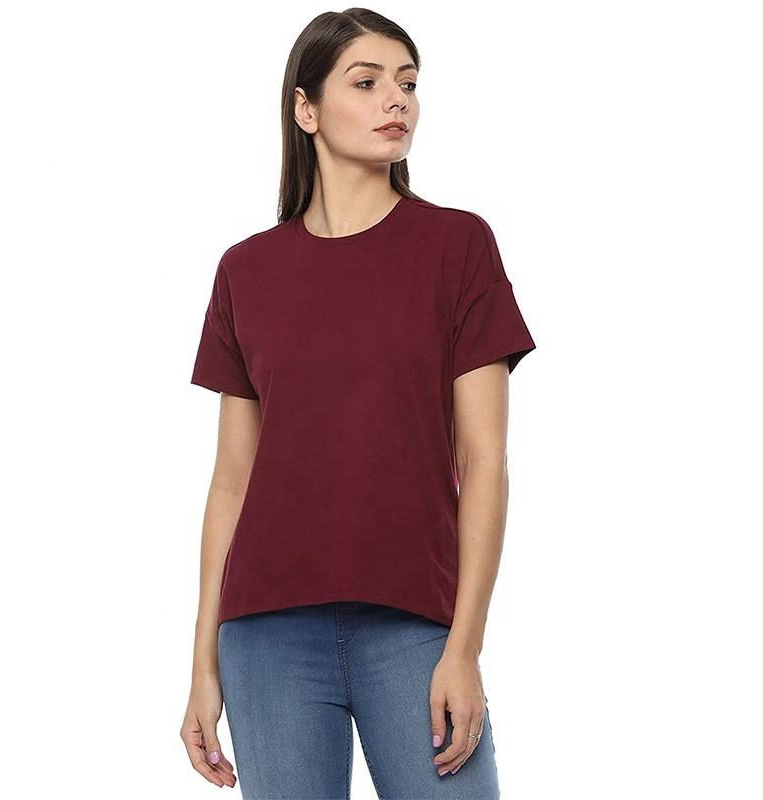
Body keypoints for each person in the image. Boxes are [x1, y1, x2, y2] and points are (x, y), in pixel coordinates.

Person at [180, 9, 536, 799]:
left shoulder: (457, 246)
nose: (397, 100)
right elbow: (231, 481)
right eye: (367, 82)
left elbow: (485, 460)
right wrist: (202, 663)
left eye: (408, 83)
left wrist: (465, 647)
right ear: (306, 109)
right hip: (267, 632)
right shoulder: (245, 271)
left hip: (413, 623)